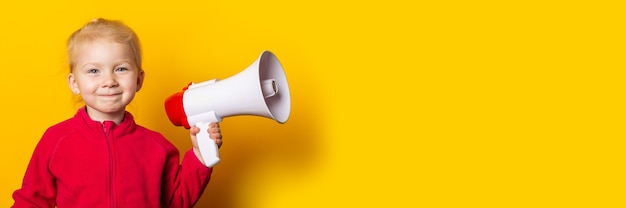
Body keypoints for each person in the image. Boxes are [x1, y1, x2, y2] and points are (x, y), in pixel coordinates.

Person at [12, 18, 222, 208]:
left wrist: (200, 158)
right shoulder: (56, 140)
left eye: (121, 69)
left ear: (138, 80)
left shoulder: (157, 147)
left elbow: (176, 201)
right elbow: (31, 202)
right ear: (75, 83)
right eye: (94, 71)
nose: (109, 81)